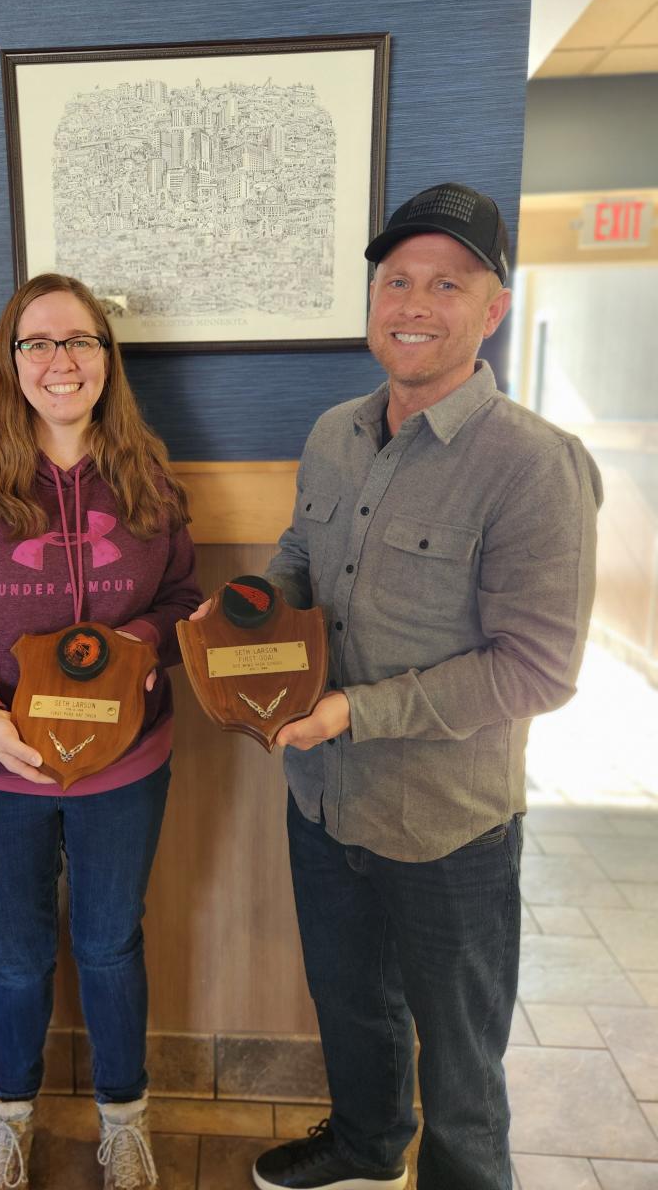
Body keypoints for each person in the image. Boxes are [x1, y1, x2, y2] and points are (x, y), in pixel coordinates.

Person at [213, 183, 601, 1190]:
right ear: (374, 297)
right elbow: (302, 548)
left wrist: (356, 709)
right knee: (349, 1001)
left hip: (448, 824)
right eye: (396, 280)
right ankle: (365, 1143)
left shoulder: (534, 466)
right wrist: (259, 603)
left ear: (492, 309)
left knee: (463, 1060)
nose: (414, 301)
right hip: (322, 794)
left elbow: (538, 667)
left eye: (446, 281)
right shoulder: (337, 430)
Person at [0, 273, 201, 1190]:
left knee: (112, 942)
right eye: (39, 343)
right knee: (18, 952)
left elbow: (183, 599)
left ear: (107, 359)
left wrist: (143, 644)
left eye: (81, 342)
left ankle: (125, 1119)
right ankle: (8, 1117)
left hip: (126, 765)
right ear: (11, 360)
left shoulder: (148, 474)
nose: (61, 362)